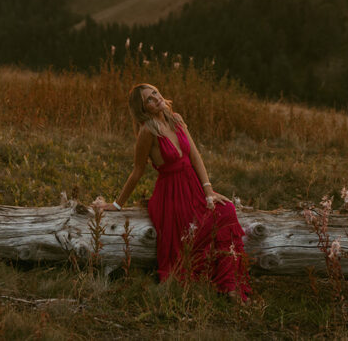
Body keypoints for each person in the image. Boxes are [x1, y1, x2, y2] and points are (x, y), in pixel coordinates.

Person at [96, 83, 251, 300]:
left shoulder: (176, 119)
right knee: (194, 231)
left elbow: (195, 157)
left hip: (194, 187)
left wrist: (209, 191)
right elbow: (137, 171)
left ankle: (229, 285)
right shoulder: (147, 131)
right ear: (143, 108)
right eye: (149, 99)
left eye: (156, 93)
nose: (156, 98)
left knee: (227, 212)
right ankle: (209, 284)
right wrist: (116, 205)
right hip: (171, 194)